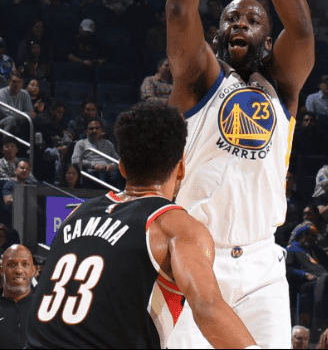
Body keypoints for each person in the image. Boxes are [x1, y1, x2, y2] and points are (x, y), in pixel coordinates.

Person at [166, 0, 315, 349]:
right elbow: (179, 12)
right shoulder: (199, 80)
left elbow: (303, 29)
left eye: (253, 20)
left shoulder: (281, 87)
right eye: (231, 17)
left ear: (267, 42)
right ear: (217, 35)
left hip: (261, 265)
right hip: (195, 255)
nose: (240, 23)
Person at [25, 100, 258, 349]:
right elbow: (207, 307)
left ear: (122, 168)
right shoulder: (173, 225)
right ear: (181, 168)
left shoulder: (76, 214)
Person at [0, 245, 36, 349]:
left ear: (33, 270)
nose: (19, 271)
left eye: (25, 264)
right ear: (2, 270)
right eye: (12, 264)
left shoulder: (45, 307)